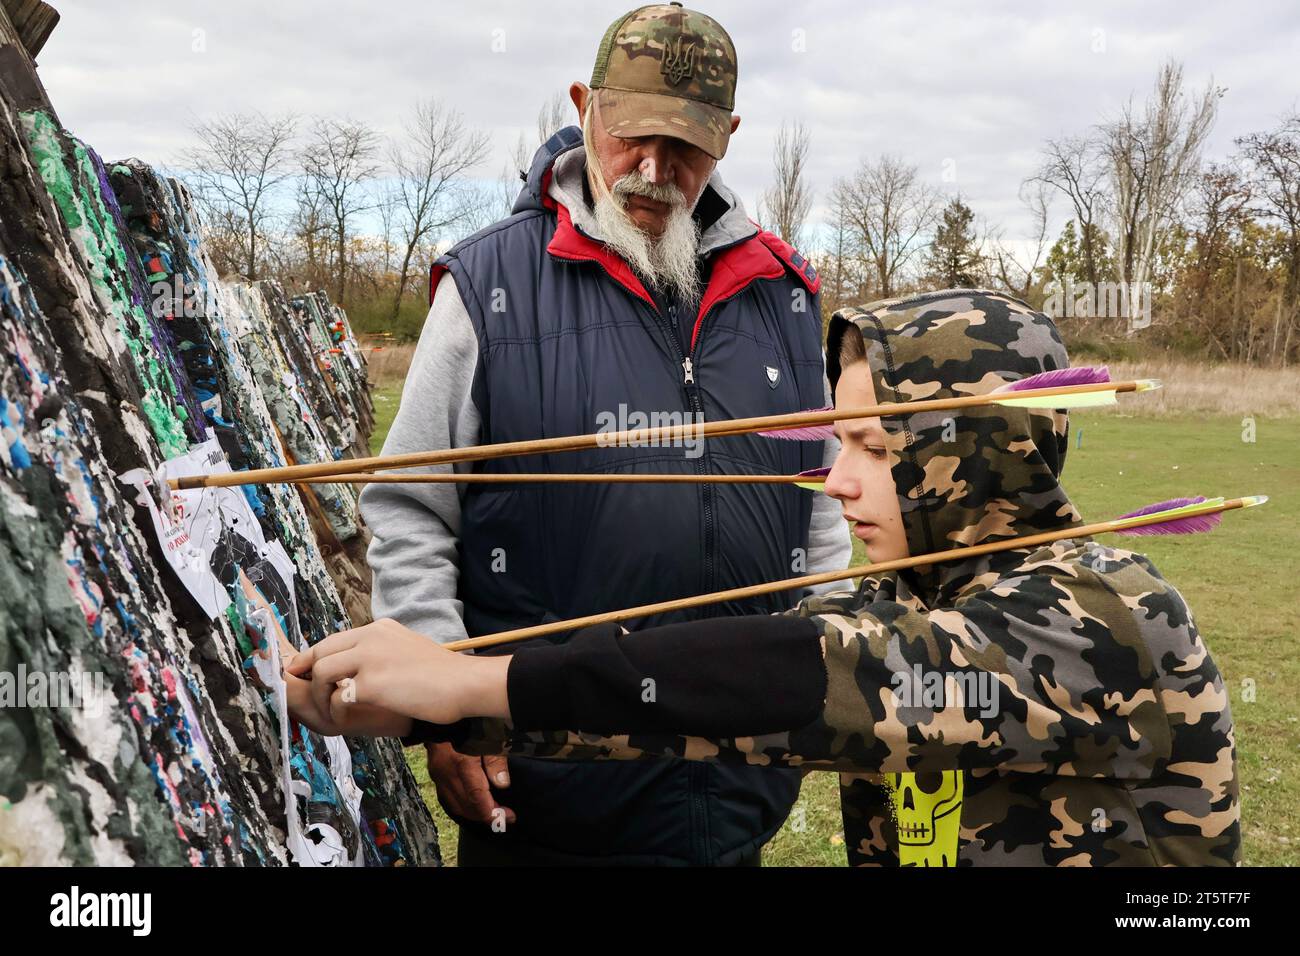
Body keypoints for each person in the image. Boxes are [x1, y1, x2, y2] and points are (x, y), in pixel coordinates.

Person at [290, 290, 1242, 867]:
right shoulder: (906, 594)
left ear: (971, 457)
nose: (836, 480)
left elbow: (799, 676)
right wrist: (433, 712)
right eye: (836, 440)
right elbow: (689, 700)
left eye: (874, 447)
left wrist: (468, 681)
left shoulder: (1100, 614)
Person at [357, 2, 850, 865]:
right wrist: (447, 711)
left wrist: (816, 686)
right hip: (547, 780)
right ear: (585, 105)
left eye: (687, 145)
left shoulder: (784, 295)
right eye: (630, 135)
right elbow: (410, 509)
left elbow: (821, 515)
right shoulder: (486, 283)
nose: (653, 168)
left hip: (737, 779)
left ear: (729, 136)